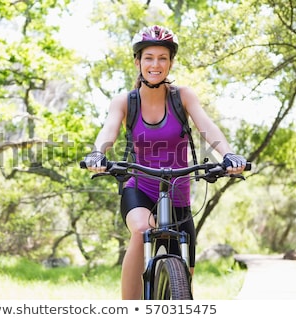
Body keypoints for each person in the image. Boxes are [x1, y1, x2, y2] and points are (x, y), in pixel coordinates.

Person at [83, 25, 246, 300]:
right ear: (138, 62)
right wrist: (98, 153)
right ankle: (131, 308)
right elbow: (108, 130)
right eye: (149, 58)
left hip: (179, 197)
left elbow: (208, 128)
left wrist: (228, 156)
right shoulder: (125, 101)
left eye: (162, 58)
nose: (155, 64)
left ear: (170, 62)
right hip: (140, 189)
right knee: (142, 228)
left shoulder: (183, 97)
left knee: (185, 282)